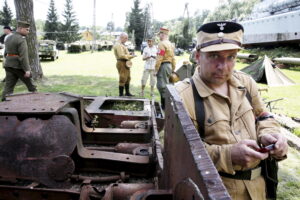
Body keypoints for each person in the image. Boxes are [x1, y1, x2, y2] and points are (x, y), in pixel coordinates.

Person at [175, 21, 288, 199]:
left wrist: (270, 134)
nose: (223, 66)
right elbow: (180, 153)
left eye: (231, 57)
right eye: (214, 56)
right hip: (216, 190)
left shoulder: (246, 82)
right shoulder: (183, 96)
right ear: (197, 56)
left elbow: (263, 117)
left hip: (260, 188)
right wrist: (228, 155)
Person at [1, 21, 37, 101]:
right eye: (27, 29)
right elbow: (23, 57)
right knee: (31, 86)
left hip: (8, 65)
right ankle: (37, 102)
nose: (28, 31)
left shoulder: (8, 37)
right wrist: (27, 70)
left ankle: (3, 105)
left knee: (8, 87)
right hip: (18, 66)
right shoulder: (21, 39)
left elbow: (5, 53)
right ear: (20, 28)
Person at [155, 27, 176, 109]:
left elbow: (159, 57)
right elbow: (173, 58)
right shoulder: (171, 44)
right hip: (169, 66)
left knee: (162, 86)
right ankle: (166, 105)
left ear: (163, 34)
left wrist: (156, 69)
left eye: (159, 34)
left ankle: (164, 107)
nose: (159, 36)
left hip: (163, 66)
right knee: (168, 85)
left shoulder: (161, 44)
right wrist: (173, 68)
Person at [113, 32, 136, 96]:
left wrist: (130, 54)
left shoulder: (122, 44)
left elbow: (125, 54)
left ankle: (127, 93)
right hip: (121, 62)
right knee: (123, 78)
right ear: (121, 37)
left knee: (128, 78)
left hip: (125, 63)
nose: (126, 39)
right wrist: (131, 56)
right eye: (126, 38)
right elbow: (121, 56)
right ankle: (121, 94)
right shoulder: (118, 45)